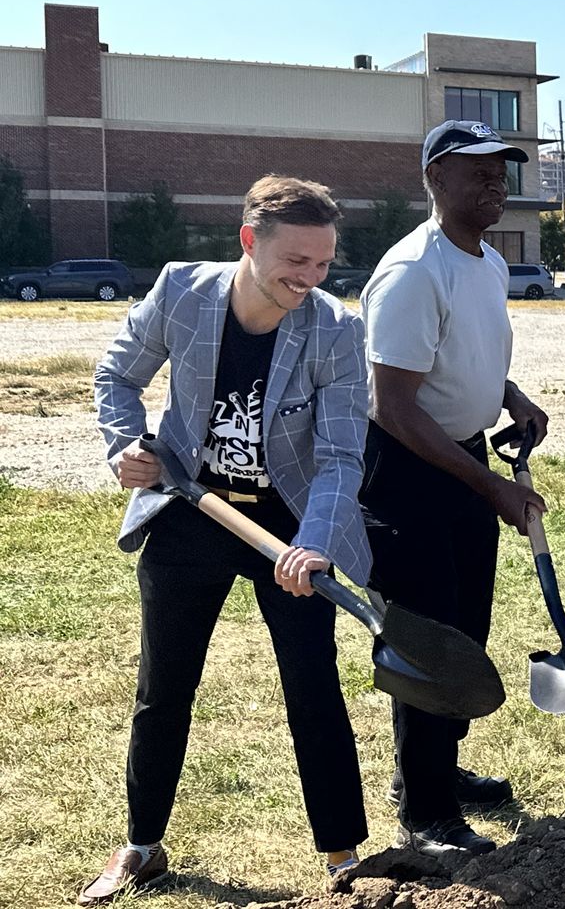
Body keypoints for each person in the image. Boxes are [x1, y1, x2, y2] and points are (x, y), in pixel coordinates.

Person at [87, 176, 371, 902]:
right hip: (189, 509)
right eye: (296, 262)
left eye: (322, 264)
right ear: (249, 242)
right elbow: (117, 375)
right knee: (165, 688)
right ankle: (143, 846)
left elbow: (341, 455)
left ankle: (343, 855)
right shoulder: (182, 291)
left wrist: (314, 541)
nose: (310, 279)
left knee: (313, 686)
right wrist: (125, 446)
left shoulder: (335, 329)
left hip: (285, 524)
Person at [360, 120, 549, 856]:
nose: (496, 182)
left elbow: (459, 357)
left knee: (466, 627)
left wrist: (509, 395)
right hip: (408, 471)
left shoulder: (486, 264)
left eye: (502, 170)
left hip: (458, 457)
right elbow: (394, 406)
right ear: (436, 178)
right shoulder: (413, 271)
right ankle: (425, 814)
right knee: (428, 640)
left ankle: (436, 768)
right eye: (478, 170)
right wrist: (490, 487)